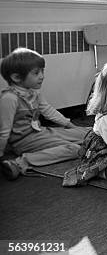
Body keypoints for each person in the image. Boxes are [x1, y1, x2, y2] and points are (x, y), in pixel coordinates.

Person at [0, 48, 89, 180]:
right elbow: (4, 130)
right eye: (36, 73)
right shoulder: (9, 98)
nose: (42, 76)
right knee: (74, 149)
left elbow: (48, 111)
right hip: (23, 141)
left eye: (42, 71)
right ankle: (19, 163)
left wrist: (70, 125)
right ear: (16, 77)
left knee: (88, 133)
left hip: (40, 132)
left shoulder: (34, 92)